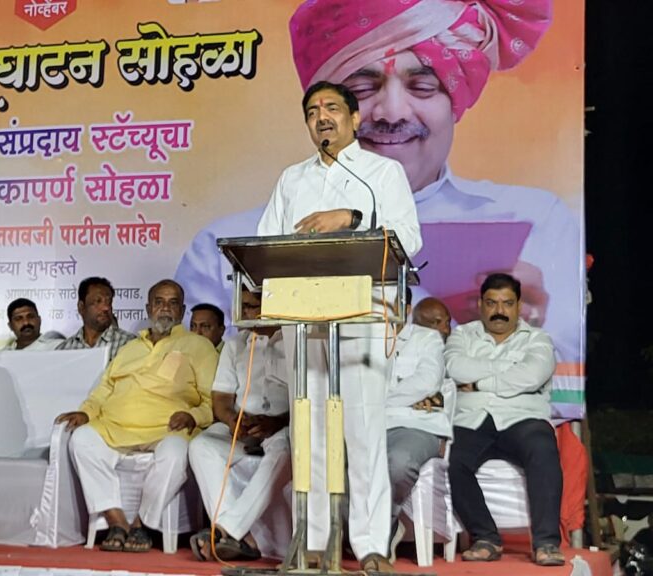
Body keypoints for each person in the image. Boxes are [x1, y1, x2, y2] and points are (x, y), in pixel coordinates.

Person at [174, 0, 582, 395]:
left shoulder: (536, 218)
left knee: (364, 438)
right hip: (301, 366)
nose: (391, 112)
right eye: (363, 87)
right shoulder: (244, 221)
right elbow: (257, 271)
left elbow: (561, 371)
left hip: (383, 371)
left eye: (423, 85)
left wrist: (508, 324)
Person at [257, 80, 421, 572]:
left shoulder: (382, 173)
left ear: (354, 118)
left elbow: (408, 238)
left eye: (331, 108)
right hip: (304, 317)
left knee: (363, 431)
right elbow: (266, 242)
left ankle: (370, 545)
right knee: (309, 429)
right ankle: (314, 541)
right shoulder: (291, 179)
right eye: (312, 111)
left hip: (362, 313)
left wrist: (351, 217)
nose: (321, 117)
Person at [55, 279, 218, 553]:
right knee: (81, 439)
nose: (165, 308)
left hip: (167, 428)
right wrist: (85, 413)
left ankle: (142, 523)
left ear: (182, 311)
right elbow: (103, 391)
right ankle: (116, 520)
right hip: (115, 427)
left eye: (173, 303)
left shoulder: (199, 346)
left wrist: (192, 415)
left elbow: (211, 401)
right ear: (148, 308)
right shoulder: (129, 348)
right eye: (158, 302)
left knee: (175, 453)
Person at [446, 273, 564, 567]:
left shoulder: (538, 339)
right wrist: (508, 370)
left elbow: (532, 375)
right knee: (453, 460)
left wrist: (480, 382)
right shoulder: (462, 335)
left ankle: (546, 543)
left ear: (519, 306)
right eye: (492, 303)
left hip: (522, 418)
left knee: (543, 449)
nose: (499, 311)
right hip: (472, 419)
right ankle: (486, 537)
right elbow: (455, 367)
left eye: (507, 303)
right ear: (480, 305)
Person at [189, 288, 290, 562]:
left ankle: (227, 531)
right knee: (201, 446)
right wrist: (232, 420)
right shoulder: (236, 345)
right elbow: (221, 397)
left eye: (252, 306)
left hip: (283, 425)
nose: (245, 313)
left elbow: (310, 399)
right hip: (242, 425)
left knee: (286, 449)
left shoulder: (296, 340)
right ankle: (241, 538)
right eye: (242, 306)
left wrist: (277, 422)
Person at [385, 292, 448, 558]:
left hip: (416, 426)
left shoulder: (427, 339)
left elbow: (426, 382)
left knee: (398, 463)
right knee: (334, 466)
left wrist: (376, 400)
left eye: (387, 303)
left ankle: (386, 523)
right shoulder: (360, 341)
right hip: (367, 424)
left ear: (406, 308)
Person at [57, 277, 136, 363]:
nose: (106, 308)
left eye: (109, 302)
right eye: (98, 301)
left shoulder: (129, 344)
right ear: (81, 307)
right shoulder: (63, 351)